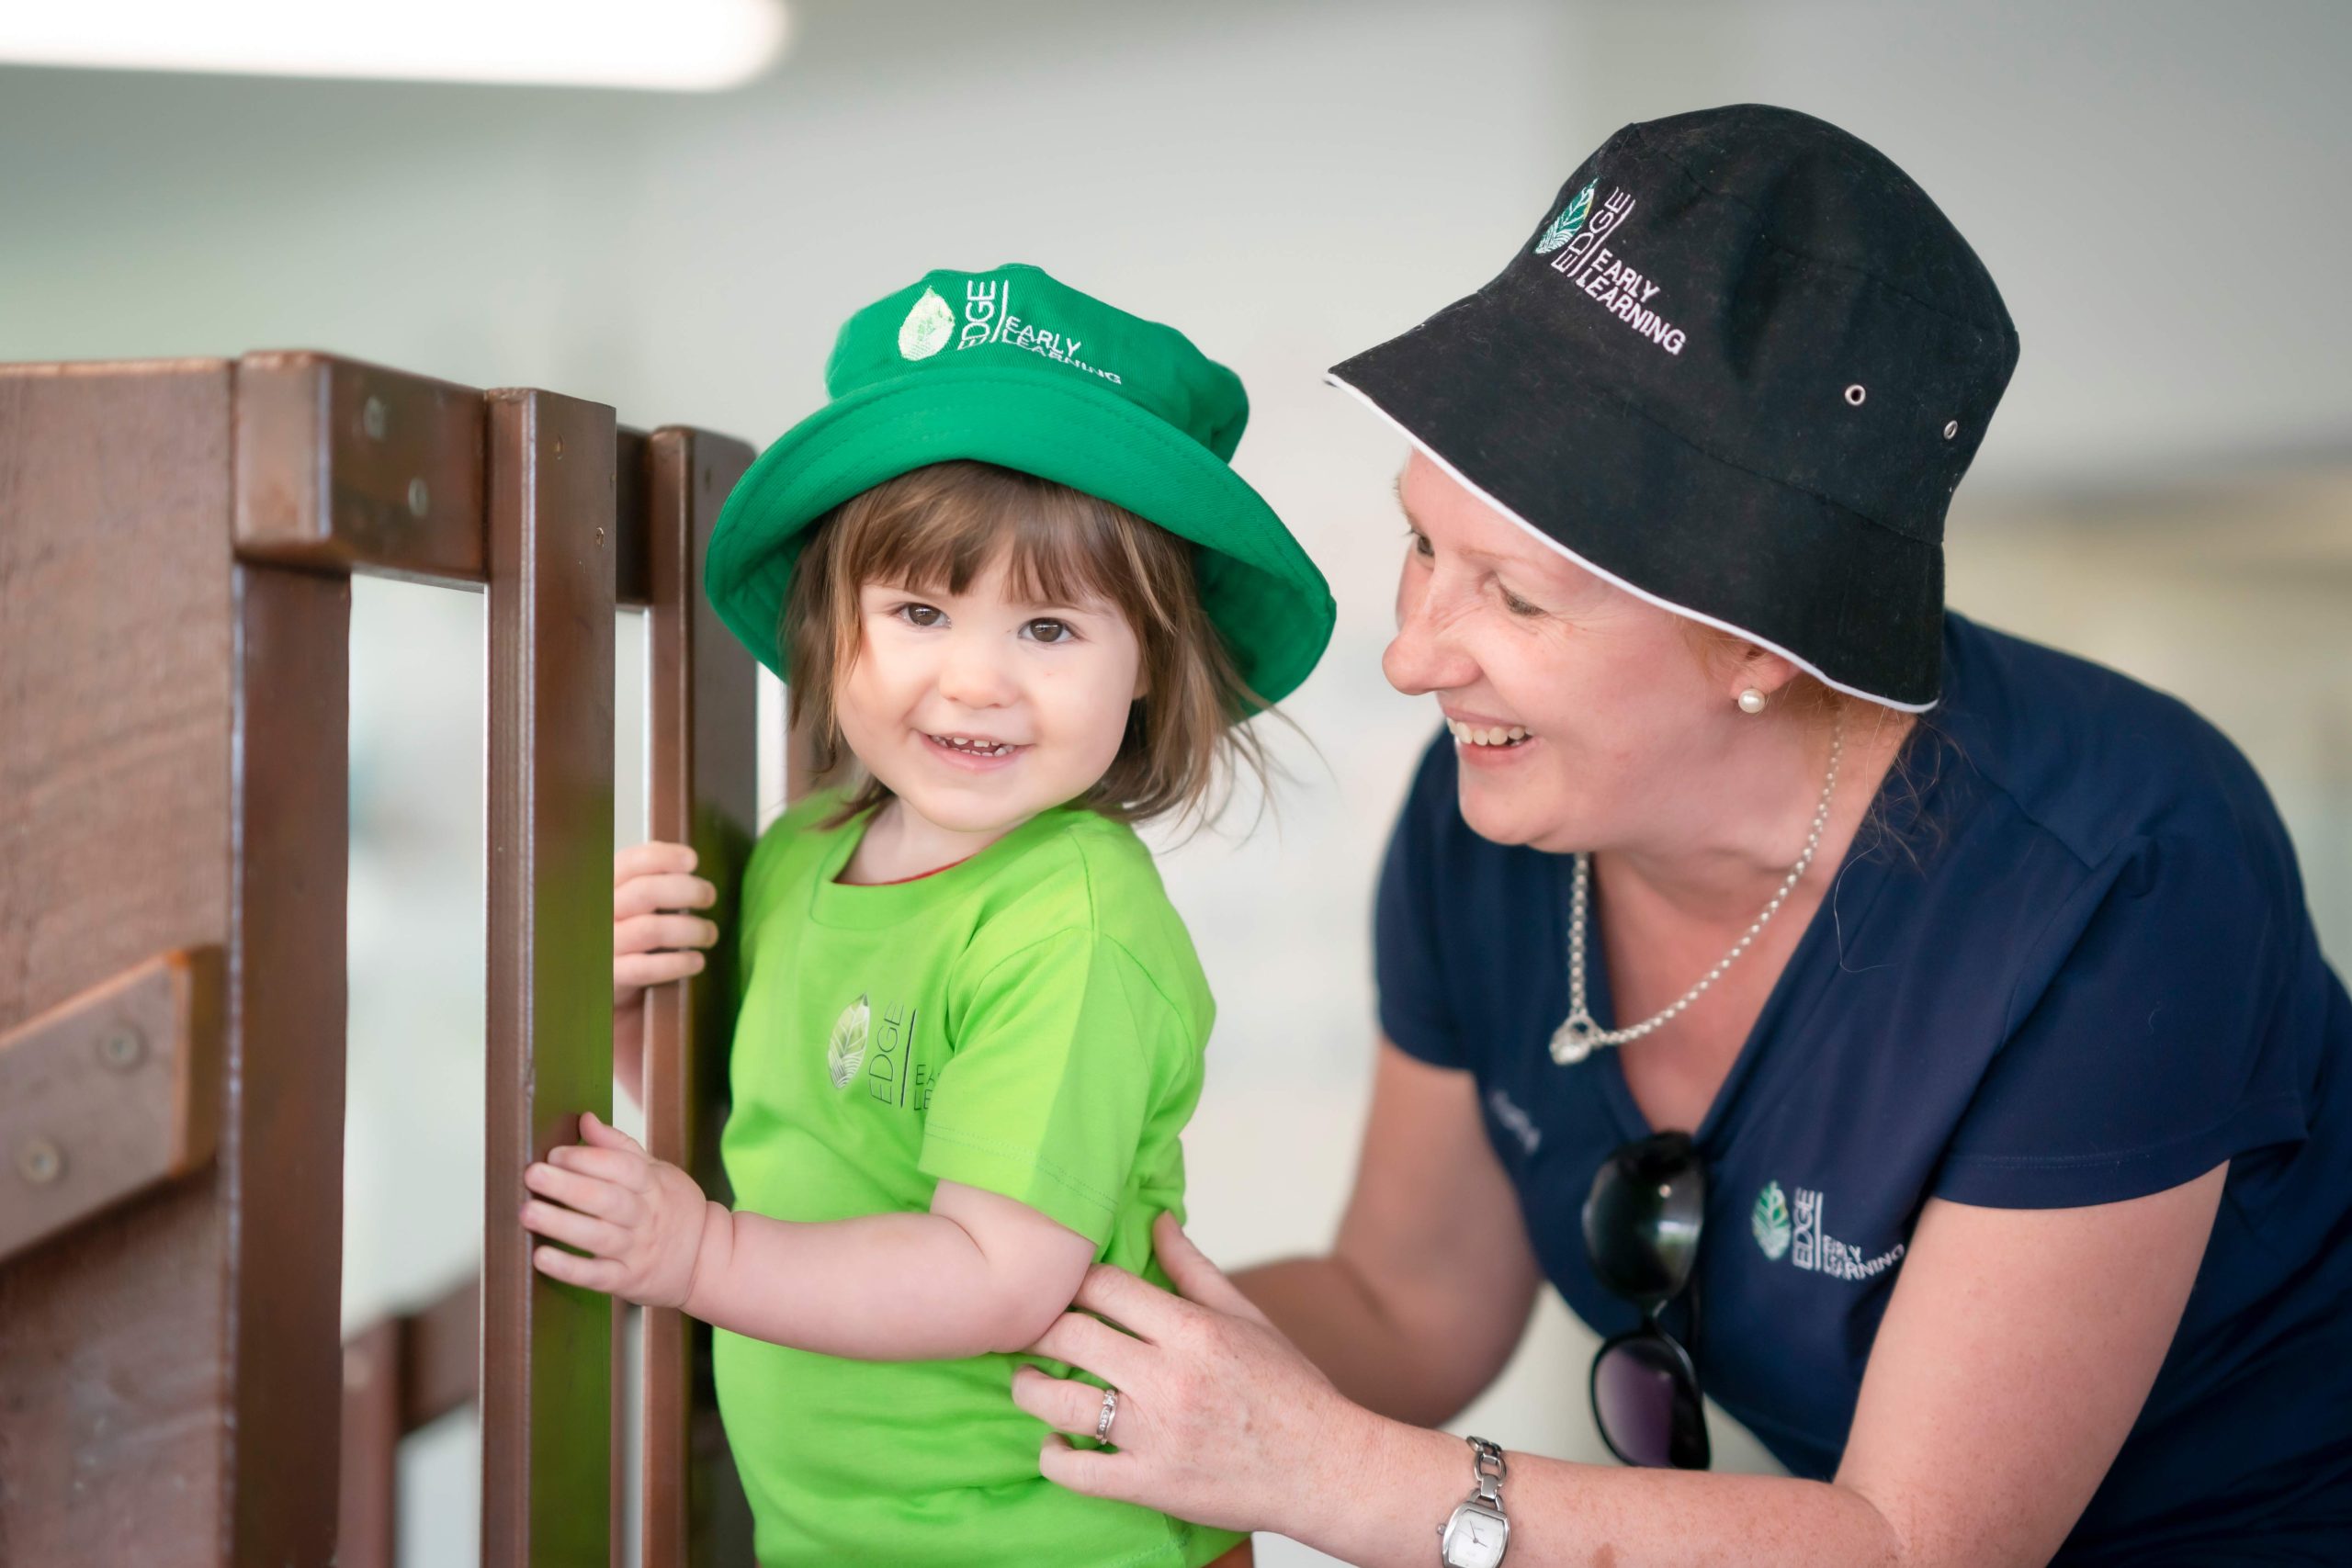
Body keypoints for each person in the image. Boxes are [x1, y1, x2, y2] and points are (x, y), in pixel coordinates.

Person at [1003, 106, 2352, 1565]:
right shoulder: (1495, 823)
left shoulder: (2124, 867)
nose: (1415, 658)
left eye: (1513, 598)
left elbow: (1913, 1544)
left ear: (1763, 640)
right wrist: (1009, 1330)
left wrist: (1324, 1474)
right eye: (1421, 547)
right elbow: (1409, 1300)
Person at [518, 264, 1333, 1568]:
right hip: (835, 1534)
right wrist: (632, 1025)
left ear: (1149, 669)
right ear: (832, 626)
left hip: (1052, 1537)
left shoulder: (1072, 921)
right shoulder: (802, 856)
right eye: (917, 610)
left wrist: (700, 1255)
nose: (976, 679)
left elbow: (996, 1271)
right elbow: (803, 1136)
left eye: (1051, 628)